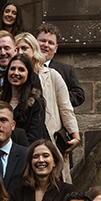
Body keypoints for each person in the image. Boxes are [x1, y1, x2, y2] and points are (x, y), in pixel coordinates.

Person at [16, 32, 79, 162]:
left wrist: (75, 135)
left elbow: (65, 107)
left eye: (25, 48)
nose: (21, 52)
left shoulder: (52, 75)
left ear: (34, 50)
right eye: (17, 48)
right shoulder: (11, 76)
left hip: (49, 134)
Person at [0, 53, 49, 144]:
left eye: (21, 70)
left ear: (28, 74)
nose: (16, 73)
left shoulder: (36, 103)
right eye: (12, 69)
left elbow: (34, 137)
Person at [36, 22, 85, 107]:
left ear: (55, 48)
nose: (46, 45)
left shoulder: (66, 70)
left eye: (50, 43)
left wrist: (57, 97)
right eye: (42, 41)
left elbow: (79, 96)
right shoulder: (24, 66)